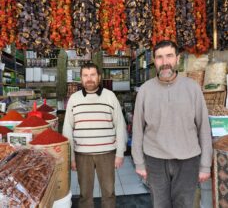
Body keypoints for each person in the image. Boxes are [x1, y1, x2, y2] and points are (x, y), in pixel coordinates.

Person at [132, 40, 212, 208]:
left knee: (184, 204)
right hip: (155, 160)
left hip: (188, 160)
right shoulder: (145, 90)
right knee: (160, 204)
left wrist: (205, 165)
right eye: (160, 57)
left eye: (169, 56)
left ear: (177, 59)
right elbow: (138, 129)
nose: (165, 62)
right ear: (154, 60)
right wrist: (139, 162)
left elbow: (203, 128)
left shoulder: (193, 88)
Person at [63, 62, 127, 208]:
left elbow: (120, 125)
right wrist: (71, 157)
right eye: (85, 75)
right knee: (85, 195)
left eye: (92, 75)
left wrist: (120, 153)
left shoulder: (110, 96)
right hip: (82, 155)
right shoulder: (74, 99)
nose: (89, 78)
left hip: (107, 153)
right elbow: (67, 129)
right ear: (81, 78)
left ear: (99, 77)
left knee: (109, 192)